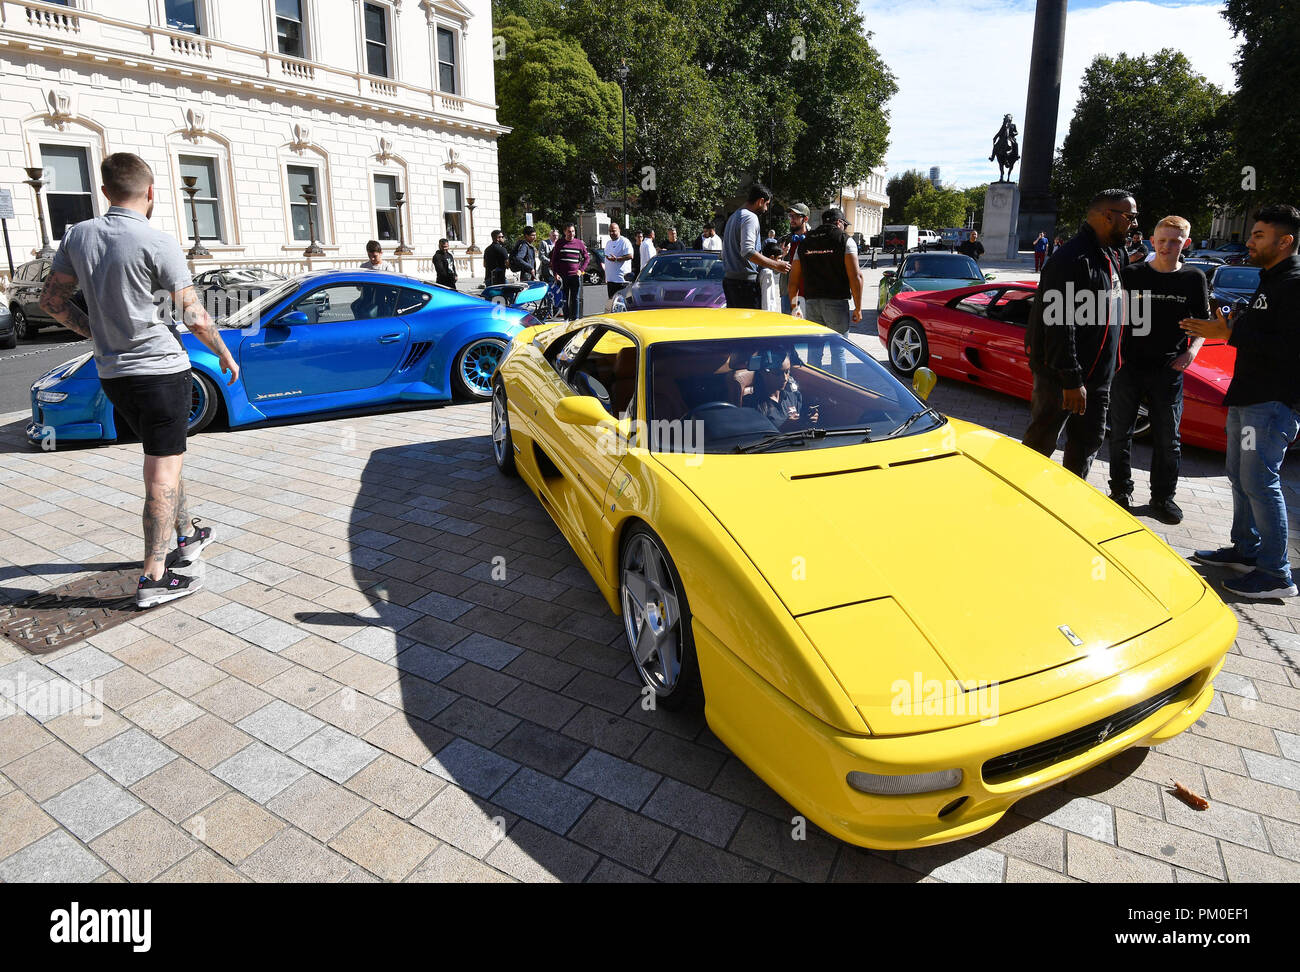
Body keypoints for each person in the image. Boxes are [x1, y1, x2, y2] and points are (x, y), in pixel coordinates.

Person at [38, 152, 238, 607]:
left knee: (164, 457)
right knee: (161, 472)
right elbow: (193, 314)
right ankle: (154, 575)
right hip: (161, 371)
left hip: (115, 374)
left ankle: (187, 535)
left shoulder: (77, 236)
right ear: (151, 193)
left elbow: (52, 301)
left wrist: (95, 332)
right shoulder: (157, 241)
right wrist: (224, 353)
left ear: (105, 192)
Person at [1181, 204, 1300, 598]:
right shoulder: (1271, 279)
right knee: (1239, 476)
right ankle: (1246, 549)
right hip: (1248, 397)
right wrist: (1232, 325)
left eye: (1259, 235)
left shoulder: (1294, 283)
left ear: (1286, 242)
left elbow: (1290, 349)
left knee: (1259, 483)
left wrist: (1228, 333)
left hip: (1270, 404)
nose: (1249, 241)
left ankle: (1275, 573)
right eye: (1252, 234)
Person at [1022, 188, 1135, 478]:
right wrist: (1071, 379)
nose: (1134, 224)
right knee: (1040, 444)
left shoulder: (1114, 254)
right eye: (1130, 216)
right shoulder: (1070, 258)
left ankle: (1070, 506)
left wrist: (1117, 362)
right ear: (1108, 216)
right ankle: (1018, 501)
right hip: (1061, 379)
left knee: (1087, 445)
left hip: (1099, 378)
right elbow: (1059, 323)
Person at [1107, 215, 1208, 524]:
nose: (1167, 246)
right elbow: (1110, 317)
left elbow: (1203, 326)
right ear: (1152, 241)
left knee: (1169, 439)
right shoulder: (1132, 274)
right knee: (1120, 433)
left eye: (1175, 241)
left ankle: (1163, 498)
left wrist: (1191, 352)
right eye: (1161, 240)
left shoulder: (1194, 279)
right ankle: (1120, 492)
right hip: (1128, 367)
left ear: (1186, 244)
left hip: (1168, 371)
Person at [787, 208, 863, 375]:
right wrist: (858, 308)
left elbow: (792, 282)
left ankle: (813, 391)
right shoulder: (845, 240)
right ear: (838, 223)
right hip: (836, 302)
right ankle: (841, 392)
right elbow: (856, 277)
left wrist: (794, 307)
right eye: (844, 224)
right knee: (838, 351)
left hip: (812, 302)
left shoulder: (805, 243)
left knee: (814, 352)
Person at [722, 183, 791, 308]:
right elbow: (747, 251)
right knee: (750, 325)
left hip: (730, 281)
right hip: (744, 285)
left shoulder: (734, 216)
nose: (766, 209)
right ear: (760, 201)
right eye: (767, 204)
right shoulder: (750, 217)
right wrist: (776, 265)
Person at [748, 350, 818, 428]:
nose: (785, 378)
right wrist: (785, 428)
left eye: (787, 372)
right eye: (778, 373)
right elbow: (755, 437)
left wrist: (809, 418)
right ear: (763, 373)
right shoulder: (751, 404)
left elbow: (802, 422)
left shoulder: (794, 396)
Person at [550, 222, 590, 321]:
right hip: (563, 276)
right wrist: (555, 273)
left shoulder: (579, 243)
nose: (571, 233)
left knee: (575, 298)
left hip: (575, 276)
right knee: (564, 298)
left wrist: (581, 270)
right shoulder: (560, 243)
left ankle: (575, 318)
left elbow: (587, 258)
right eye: (569, 231)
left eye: (573, 231)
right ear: (564, 232)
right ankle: (566, 318)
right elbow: (554, 260)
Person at [779, 203, 810, 314]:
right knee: (788, 328)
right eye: (790, 216)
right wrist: (781, 256)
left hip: (807, 293)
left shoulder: (813, 239)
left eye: (795, 216)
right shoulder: (785, 240)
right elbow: (774, 269)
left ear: (805, 219)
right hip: (787, 293)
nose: (791, 219)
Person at [603, 220, 634, 299]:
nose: (611, 233)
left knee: (623, 304)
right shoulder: (608, 243)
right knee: (612, 303)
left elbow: (630, 256)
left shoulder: (624, 241)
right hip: (610, 280)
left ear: (619, 230)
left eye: (613, 231)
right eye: (610, 231)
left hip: (622, 280)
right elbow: (607, 259)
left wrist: (617, 259)